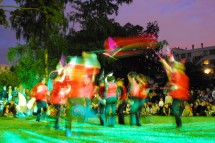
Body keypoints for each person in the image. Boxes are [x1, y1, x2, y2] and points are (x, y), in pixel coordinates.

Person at [159, 50, 189, 128]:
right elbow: (170, 71)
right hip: (181, 94)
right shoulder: (183, 75)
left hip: (178, 94)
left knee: (175, 109)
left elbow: (169, 70)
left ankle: (179, 123)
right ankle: (179, 121)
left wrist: (163, 62)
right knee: (175, 108)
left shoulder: (177, 73)